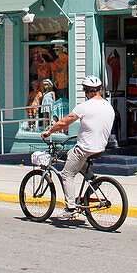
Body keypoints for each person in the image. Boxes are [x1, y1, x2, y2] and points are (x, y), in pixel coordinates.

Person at [41, 75, 114, 221]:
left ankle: (70, 208)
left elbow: (64, 122)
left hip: (85, 148)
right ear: (99, 90)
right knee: (71, 155)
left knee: (67, 175)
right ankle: (92, 178)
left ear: (87, 92)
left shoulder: (85, 106)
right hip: (100, 147)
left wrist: (49, 131)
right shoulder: (108, 105)